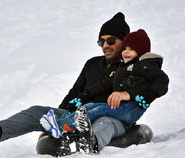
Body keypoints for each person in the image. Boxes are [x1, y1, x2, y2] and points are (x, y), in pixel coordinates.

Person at [0, 12, 131, 153]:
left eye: (110, 40)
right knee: (36, 112)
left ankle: (90, 142)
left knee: (105, 123)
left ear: (124, 41)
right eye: (101, 42)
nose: (105, 46)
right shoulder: (92, 64)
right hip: (79, 117)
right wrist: (57, 123)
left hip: (112, 117)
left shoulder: (131, 67)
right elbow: (74, 95)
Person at [41, 29, 169, 144]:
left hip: (130, 109)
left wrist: (149, 95)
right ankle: (61, 125)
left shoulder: (145, 65)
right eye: (124, 49)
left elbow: (162, 80)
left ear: (140, 52)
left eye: (131, 49)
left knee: (98, 111)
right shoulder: (123, 68)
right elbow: (105, 84)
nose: (125, 52)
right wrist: (85, 94)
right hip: (119, 106)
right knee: (88, 107)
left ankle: (63, 128)